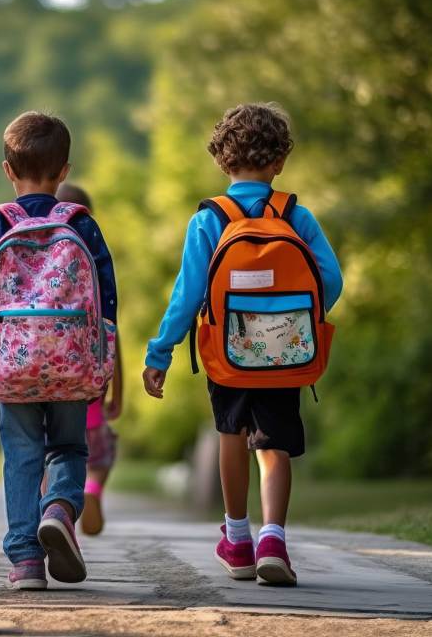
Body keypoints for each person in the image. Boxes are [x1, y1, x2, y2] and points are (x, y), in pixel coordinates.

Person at [142, 103, 342, 586]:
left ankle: (237, 540)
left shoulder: (210, 219)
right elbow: (331, 281)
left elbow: (188, 294)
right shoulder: (296, 214)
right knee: (273, 446)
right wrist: (294, 320)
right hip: (285, 353)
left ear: (223, 161)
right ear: (279, 161)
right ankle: (274, 538)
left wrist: (160, 352)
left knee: (231, 436)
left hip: (227, 356)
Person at [0, 112, 118, 590]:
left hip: (13, 369)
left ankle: (26, 560)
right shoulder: (82, 225)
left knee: (22, 457)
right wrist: (102, 361)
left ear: (7, 170)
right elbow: (105, 299)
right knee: (71, 447)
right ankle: (60, 508)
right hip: (72, 366)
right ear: (64, 170)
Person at [53, 182, 122, 536]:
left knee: (51, 456)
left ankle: (52, 509)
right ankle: (92, 491)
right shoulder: (94, 261)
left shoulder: (36, 257)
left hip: (45, 386)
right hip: (90, 392)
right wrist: (117, 392)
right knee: (99, 458)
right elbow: (112, 334)